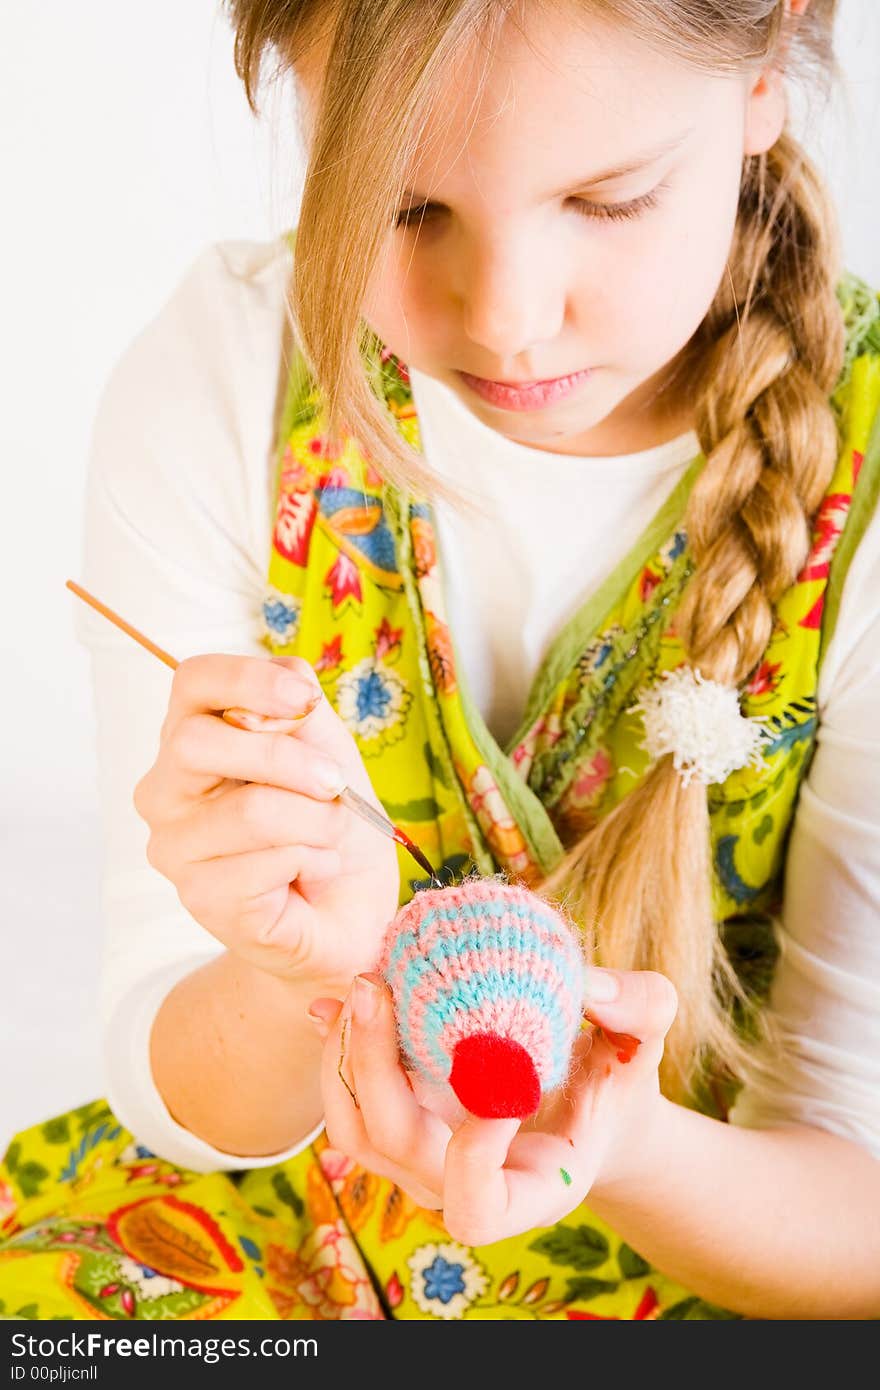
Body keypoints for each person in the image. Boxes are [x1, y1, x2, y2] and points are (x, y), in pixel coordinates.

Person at [2, 0, 879, 1322]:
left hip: (718, 1254)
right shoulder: (226, 382)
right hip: (279, 1229)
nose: (512, 321)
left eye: (610, 199)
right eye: (409, 213)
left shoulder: (851, 490)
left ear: (767, 65)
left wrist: (615, 1144)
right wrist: (286, 976)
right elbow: (177, 1083)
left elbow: (853, 1218)